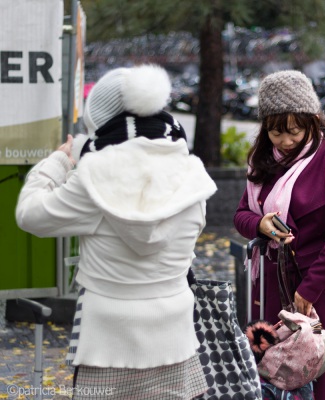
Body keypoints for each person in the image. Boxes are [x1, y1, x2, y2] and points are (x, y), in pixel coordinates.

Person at [16, 64, 217, 399]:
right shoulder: (193, 174)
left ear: (100, 118)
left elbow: (29, 215)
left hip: (106, 340)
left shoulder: (92, 178)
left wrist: (59, 161)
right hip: (175, 334)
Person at [233, 70, 325, 400]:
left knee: (317, 374)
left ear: (311, 121)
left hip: (317, 290)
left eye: (294, 131)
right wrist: (259, 225)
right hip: (269, 291)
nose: (286, 141)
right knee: (273, 378)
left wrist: (309, 289)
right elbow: (240, 216)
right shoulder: (262, 162)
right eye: (276, 132)